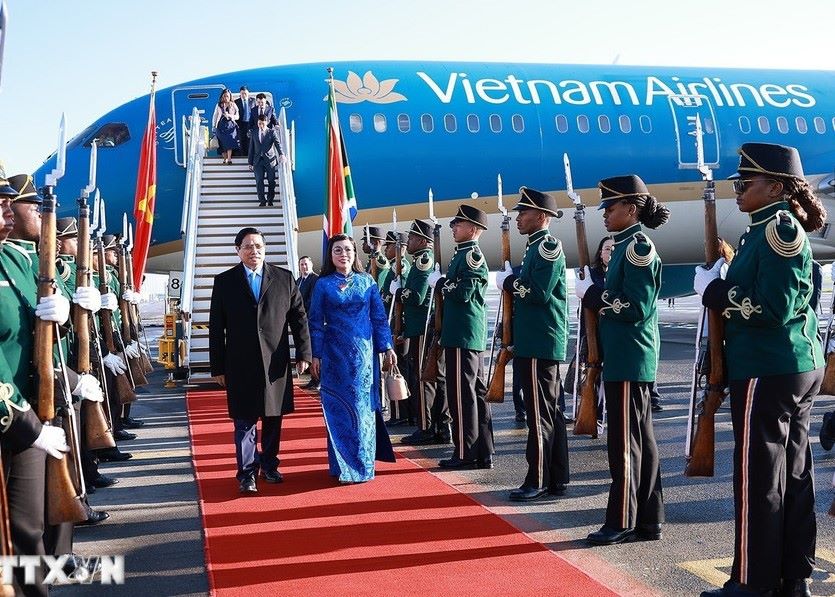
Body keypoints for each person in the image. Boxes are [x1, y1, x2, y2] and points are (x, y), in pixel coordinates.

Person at [694, 143, 826, 597]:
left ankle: (752, 581)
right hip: (790, 366)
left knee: (758, 479)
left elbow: (774, 308)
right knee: (791, 474)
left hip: (767, 367)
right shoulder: (762, 230)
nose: (736, 190)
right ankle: (792, 579)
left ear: (775, 186)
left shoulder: (778, 230)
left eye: (743, 183)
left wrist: (718, 294)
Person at [575, 174, 669, 546]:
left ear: (630, 209)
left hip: (631, 357)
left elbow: (636, 307)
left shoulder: (637, 249)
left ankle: (623, 520)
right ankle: (649, 519)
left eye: (610, 208)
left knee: (625, 445)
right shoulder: (625, 246)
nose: (605, 214)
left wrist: (595, 295)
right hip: (627, 356)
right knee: (640, 441)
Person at [209, 227, 311, 494]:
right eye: (248, 247)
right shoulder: (224, 282)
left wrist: (304, 353)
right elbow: (216, 327)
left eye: (258, 246)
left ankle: (269, 465)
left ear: (265, 248)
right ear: (237, 250)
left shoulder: (284, 278)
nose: (254, 251)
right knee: (244, 420)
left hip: (275, 362)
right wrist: (217, 366)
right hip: (239, 362)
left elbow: (299, 319)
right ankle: (246, 473)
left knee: (273, 417)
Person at [308, 234, 398, 483]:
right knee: (339, 409)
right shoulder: (323, 285)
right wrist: (315, 353)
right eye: (338, 250)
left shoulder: (367, 281)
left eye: (348, 249)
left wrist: (387, 347)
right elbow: (315, 322)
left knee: (362, 410)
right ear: (330, 255)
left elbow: (379, 319)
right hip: (334, 355)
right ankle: (341, 466)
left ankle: (363, 465)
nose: (343, 254)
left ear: (355, 253)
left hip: (364, 358)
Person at [496, 188, 568, 497]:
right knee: (548, 412)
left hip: (541, 342)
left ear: (541, 217)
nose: (518, 218)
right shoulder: (535, 248)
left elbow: (538, 293)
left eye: (523, 213)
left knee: (540, 413)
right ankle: (555, 477)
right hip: (534, 340)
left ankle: (537, 479)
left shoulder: (547, 247)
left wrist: (511, 282)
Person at [434, 205, 493, 469]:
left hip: (462, 334)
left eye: (457, 224)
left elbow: (464, 292)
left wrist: (442, 283)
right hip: (465, 334)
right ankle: (482, 452)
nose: (453, 228)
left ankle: (465, 453)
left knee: (462, 395)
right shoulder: (463, 254)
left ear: (472, 229)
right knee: (474, 394)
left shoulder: (471, 256)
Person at [390, 219, 450, 444]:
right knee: (431, 378)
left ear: (424, 241)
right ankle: (439, 427)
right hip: (418, 327)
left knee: (425, 379)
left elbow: (419, 297)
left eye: (413, 238)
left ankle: (427, 428)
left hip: (424, 328)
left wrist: (400, 292)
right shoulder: (417, 262)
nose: (409, 242)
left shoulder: (424, 261)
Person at [378, 230, 412, 426]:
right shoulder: (393, 267)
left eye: (390, 246)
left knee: (399, 369)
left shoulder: (402, 267)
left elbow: (402, 297)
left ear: (401, 249)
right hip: (392, 322)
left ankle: (401, 414)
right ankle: (398, 413)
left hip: (401, 323)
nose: (386, 249)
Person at [248, 114, 284, 207]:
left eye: (263, 124)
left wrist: (281, 154)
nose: (261, 126)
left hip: (270, 161)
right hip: (257, 161)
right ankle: (262, 201)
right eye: (259, 123)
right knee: (259, 180)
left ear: (267, 122)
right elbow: (251, 148)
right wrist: (250, 162)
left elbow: (277, 144)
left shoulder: (271, 132)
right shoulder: (254, 132)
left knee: (271, 181)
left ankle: (270, 199)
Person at [296, 255, 320, 391]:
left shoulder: (315, 280)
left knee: (315, 350)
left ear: (310, 265)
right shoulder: (298, 280)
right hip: (302, 321)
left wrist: (301, 311)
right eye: (301, 264)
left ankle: (318, 378)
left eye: (306, 264)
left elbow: (313, 300)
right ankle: (313, 377)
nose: (304, 267)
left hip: (311, 319)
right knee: (308, 349)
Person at [211, 88, 240, 165]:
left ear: (230, 96)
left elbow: (237, 116)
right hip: (220, 125)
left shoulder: (233, 105)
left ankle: (229, 159)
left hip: (230, 125)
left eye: (227, 96)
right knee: (221, 143)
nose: (226, 98)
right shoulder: (218, 105)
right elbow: (215, 116)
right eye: (224, 96)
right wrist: (213, 126)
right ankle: (225, 158)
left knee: (229, 141)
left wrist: (230, 115)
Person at [234, 86, 255, 157]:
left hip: (250, 123)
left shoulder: (253, 101)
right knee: (242, 140)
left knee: (250, 140)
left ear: (248, 93)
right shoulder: (236, 102)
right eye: (242, 93)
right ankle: (243, 156)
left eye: (245, 93)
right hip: (241, 124)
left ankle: (250, 156)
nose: (243, 95)